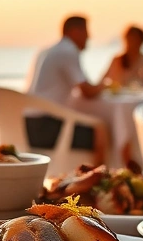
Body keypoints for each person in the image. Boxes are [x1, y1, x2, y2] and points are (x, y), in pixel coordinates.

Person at [24, 15, 107, 164]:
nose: (89, 36)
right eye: (86, 31)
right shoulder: (67, 51)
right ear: (75, 31)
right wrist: (106, 84)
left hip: (27, 124)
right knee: (101, 131)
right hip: (45, 127)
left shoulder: (47, 51)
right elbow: (87, 92)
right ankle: (97, 181)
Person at [102, 26, 143, 90]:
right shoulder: (117, 61)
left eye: (135, 40)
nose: (133, 43)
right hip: (118, 99)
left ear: (141, 42)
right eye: (130, 40)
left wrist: (142, 87)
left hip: (141, 98)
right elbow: (102, 82)